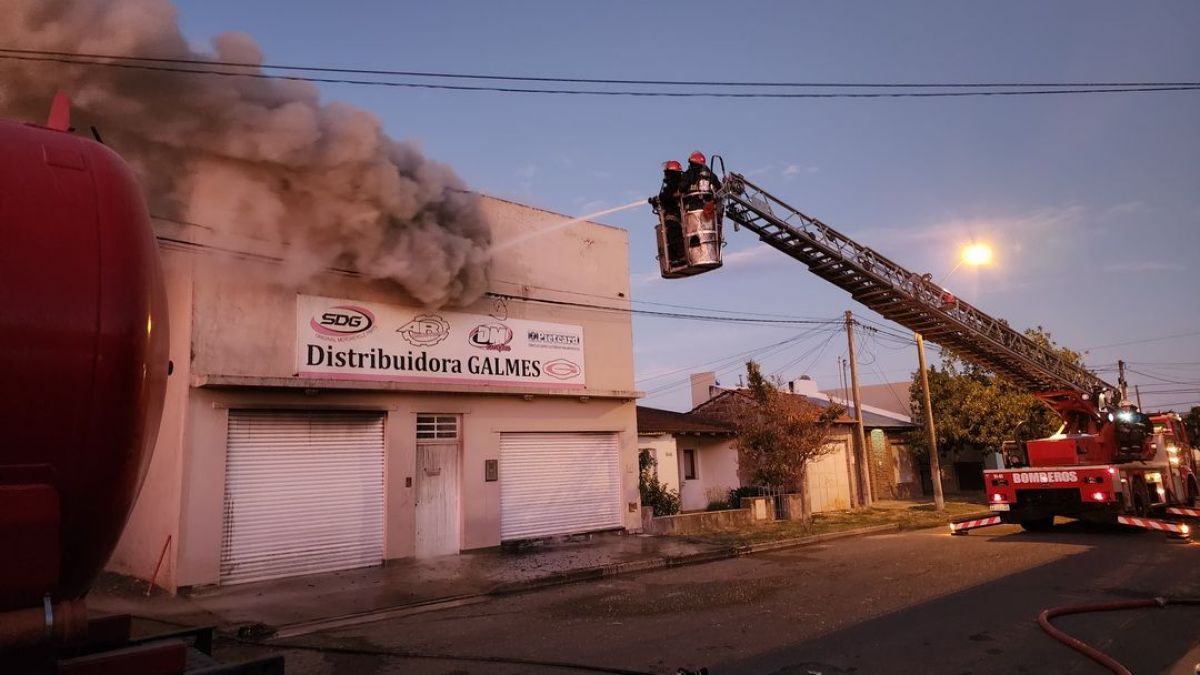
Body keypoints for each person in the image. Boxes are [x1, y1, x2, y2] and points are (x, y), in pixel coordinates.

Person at [649, 159, 686, 266]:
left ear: (671, 172)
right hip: (674, 213)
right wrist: (656, 201)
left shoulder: (674, 182)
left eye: (666, 171)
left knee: (674, 233)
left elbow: (667, 196)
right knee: (670, 235)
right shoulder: (677, 182)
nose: (665, 174)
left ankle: (680, 257)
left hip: (674, 214)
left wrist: (658, 199)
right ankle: (675, 258)